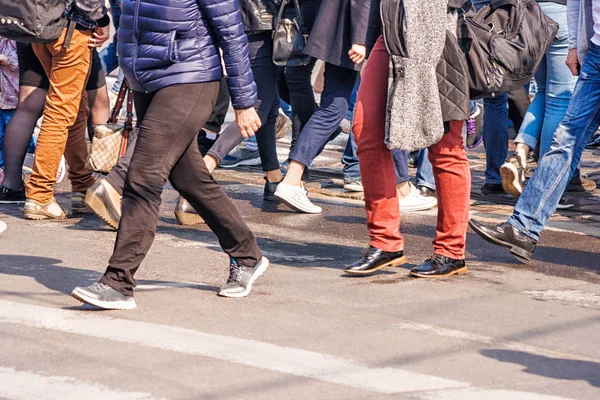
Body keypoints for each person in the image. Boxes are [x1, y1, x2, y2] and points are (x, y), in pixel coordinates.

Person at [71, 0, 269, 310]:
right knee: (188, 178)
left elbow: (232, 33)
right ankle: (248, 255)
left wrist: (245, 102)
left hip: (190, 77)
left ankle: (118, 282)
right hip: (145, 79)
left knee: (142, 177)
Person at [345, 0, 472, 278]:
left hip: (442, 31)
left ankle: (451, 251)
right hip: (392, 31)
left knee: (446, 147)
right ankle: (385, 242)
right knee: (365, 131)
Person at [469, 0, 600, 261]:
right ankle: (523, 227)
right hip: (593, 48)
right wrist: (577, 45)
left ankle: (519, 161)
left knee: (550, 102)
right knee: (565, 136)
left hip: (546, 19)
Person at [274, 0, 372, 213]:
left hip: (331, 24)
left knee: (332, 108)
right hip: (346, 30)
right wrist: (360, 38)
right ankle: (292, 179)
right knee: (334, 108)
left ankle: (293, 177)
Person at [500, 0, 594, 203]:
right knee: (559, 99)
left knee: (542, 93)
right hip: (562, 13)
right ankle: (545, 183)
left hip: (532, 13)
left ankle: (520, 154)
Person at [22, 2, 110, 219]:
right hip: (70, 30)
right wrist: (103, 21)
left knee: (75, 108)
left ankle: (81, 183)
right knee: (60, 111)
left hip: (41, 28)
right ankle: (40, 194)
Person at [0, 42, 109, 213]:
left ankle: (11, 183)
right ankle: (98, 186)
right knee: (88, 104)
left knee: (28, 107)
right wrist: (101, 21)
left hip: (32, 30)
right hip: (71, 32)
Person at [0, 38, 18, 182]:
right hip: (2, 98)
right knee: (0, 138)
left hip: (13, 98)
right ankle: (2, 172)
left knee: (18, 138)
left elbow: (24, 62)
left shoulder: (16, 36)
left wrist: (6, 59)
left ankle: (44, 153)